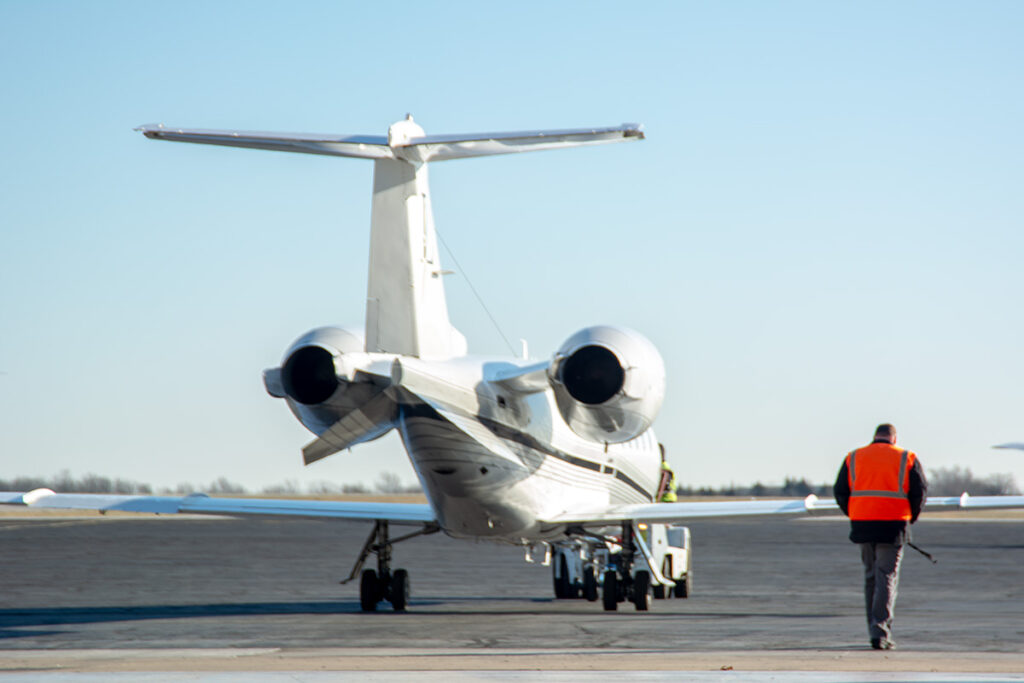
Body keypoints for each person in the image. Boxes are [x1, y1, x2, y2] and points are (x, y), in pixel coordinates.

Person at [833, 423, 927, 650]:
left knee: (870, 577)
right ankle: (880, 631)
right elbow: (920, 491)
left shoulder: (853, 457)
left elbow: (840, 490)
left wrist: (855, 512)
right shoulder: (907, 457)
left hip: (863, 524)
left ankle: (873, 629)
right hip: (892, 525)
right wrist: (910, 517)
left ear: (875, 437)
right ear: (894, 438)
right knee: (886, 577)